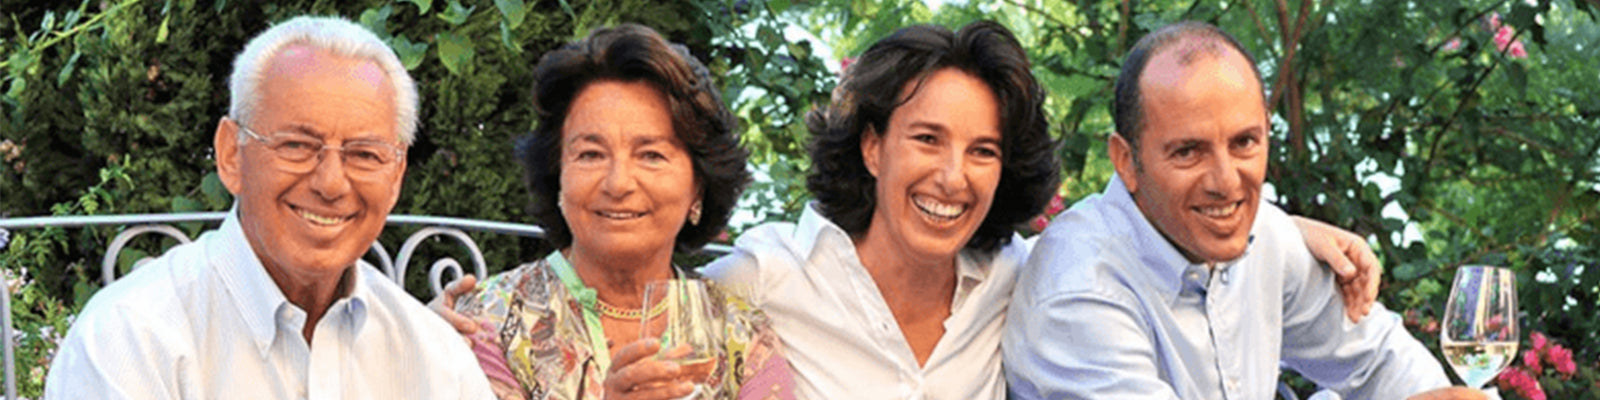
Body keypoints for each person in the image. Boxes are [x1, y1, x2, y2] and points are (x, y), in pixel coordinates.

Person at [700, 21, 1386, 400]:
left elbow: (1130, 237)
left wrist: (1276, 225)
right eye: (927, 139)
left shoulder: (1018, 279)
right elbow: (626, 315)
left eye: (983, 151)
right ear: (873, 146)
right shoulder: (763, 282)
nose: (952, 177)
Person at [1001, 21, 1484, 400]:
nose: (1226, 181)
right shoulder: (1076, 292)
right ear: (1127, 161)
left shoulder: (1266, 235)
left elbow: (1379, 359)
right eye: (1188, 151)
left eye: (1244, 143)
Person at [44, 16, 493, 399]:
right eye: (297, 145)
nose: (331, 183)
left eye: (365, 154)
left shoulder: (433, 357)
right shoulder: (132, 338)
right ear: (231, 154)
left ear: (396, 176)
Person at [442, 24, 793, 400]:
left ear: (699, 185)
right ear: (557, 173)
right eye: (591, 154)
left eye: (651, 155)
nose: (618, 183)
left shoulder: (741, 338)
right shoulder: (485, 324)